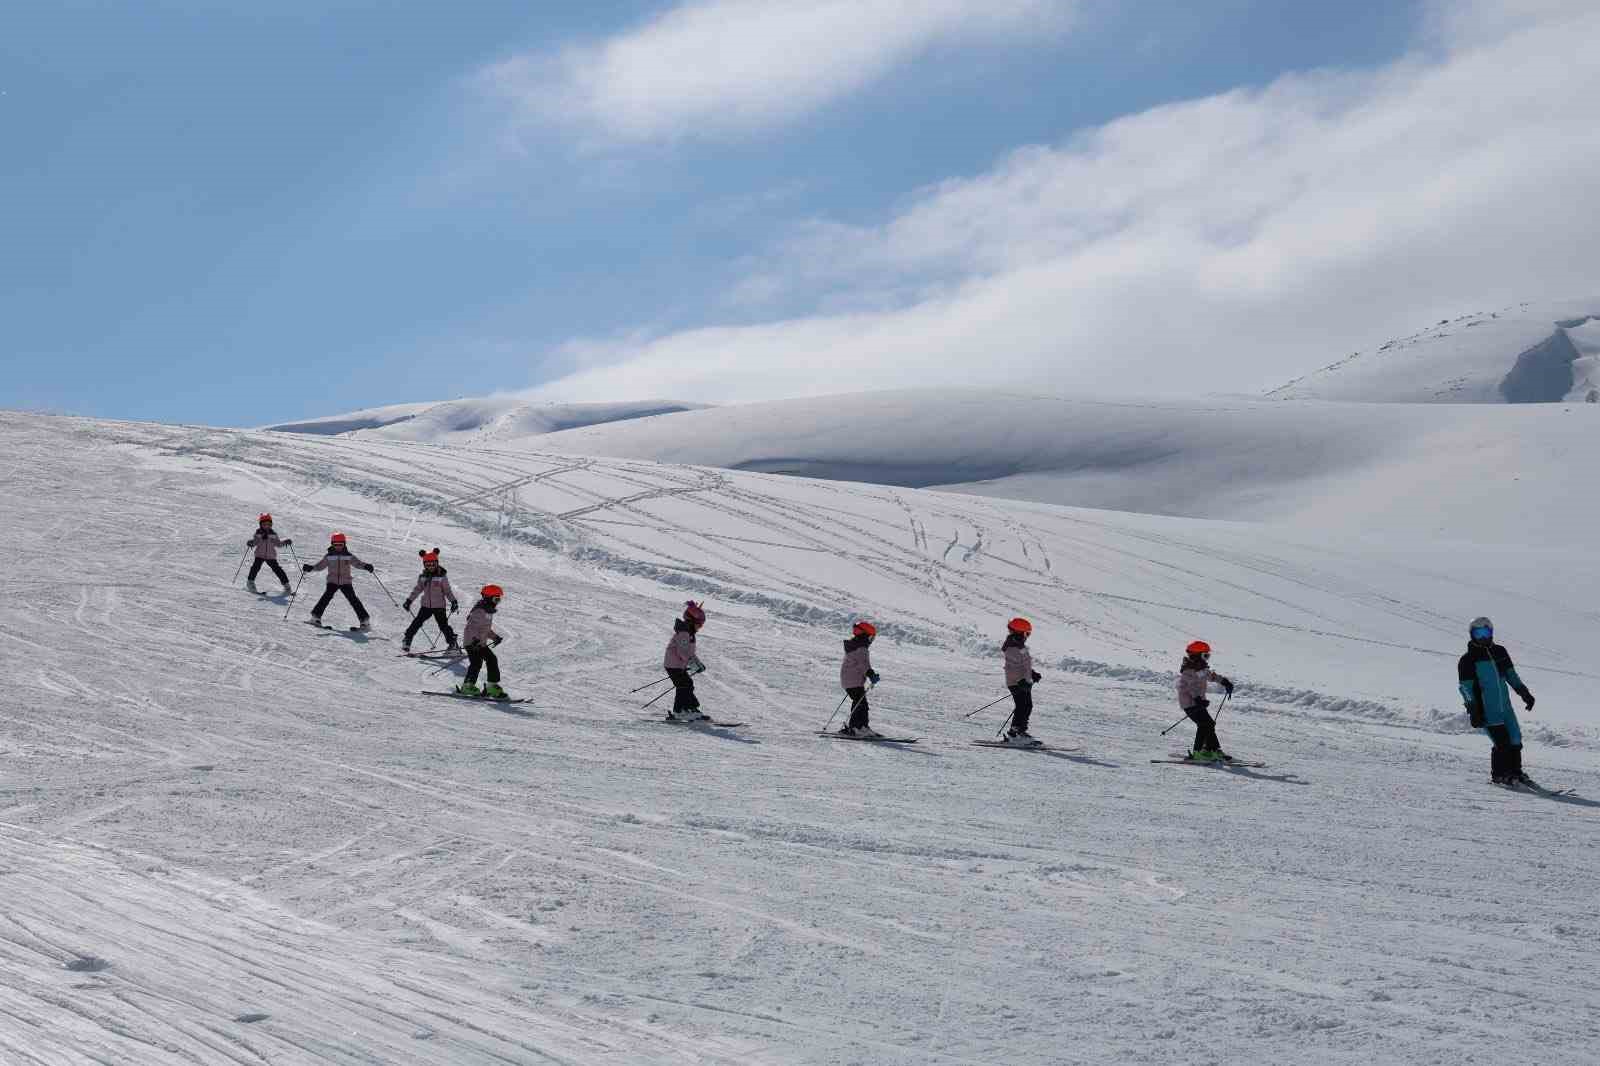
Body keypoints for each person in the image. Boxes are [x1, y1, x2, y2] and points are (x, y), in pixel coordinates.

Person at [1457, 616, 1537, 786]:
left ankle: (1516, 772)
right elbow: (1465, 688)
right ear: (1472, 635)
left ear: (1491, 632)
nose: (1483, 637)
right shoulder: (1468, 660)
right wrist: (1474, 710)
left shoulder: (1500, 652)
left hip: (1505, 707)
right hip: (1487, 709)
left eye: (1485, 632)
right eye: (1478, 634)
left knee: (1515, 738)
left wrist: (1525, 694)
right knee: (1502, 742)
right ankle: (1499, 775)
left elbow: (1510, 675)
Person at [301, 532, 374, 630]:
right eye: (336, 545)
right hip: (332, 581)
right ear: (332, 544)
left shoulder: (348, 556)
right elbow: (320, 566)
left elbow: (358, 563)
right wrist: (311, 568)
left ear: (344, 544)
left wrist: (366, 566)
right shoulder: (329, 556)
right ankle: (315, 618)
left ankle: (365, 621)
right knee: (326, 597)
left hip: (346, 582)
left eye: (341, 544)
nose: (338, 547)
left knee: (353, 599)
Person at [1177, 640, 1234, 761]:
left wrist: (1225, 682)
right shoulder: (1189, 670)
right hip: (1190, 703)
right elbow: (1191, 686)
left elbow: (1212, 676)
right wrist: (1198, 699)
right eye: (1205, 655)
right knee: (1204, 725)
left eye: (1208, 655)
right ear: (1197, 655)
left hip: (1198, 702)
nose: (1207, 658)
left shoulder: (1200, 668)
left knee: (1209, 724)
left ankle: (1211, 750)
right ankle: (1198, 752)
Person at [401, 548, 459, 654]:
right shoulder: (423, 577)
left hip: (439, 606)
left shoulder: (441, 577)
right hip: (426, 606)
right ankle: (407, 639)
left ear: (436, 564)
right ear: (424, 565)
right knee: (417, 622)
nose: (430, 566)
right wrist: (409, 601)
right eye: (428, 565)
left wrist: (453, 601)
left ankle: (452, 643)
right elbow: (417, 589)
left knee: (443, 625)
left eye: (432, 564)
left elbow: (447, 591)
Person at [456, 585, 508, 698]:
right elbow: (471, 627)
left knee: (492, 659)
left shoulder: (488, 611)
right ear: (489, 598)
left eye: (499, 599)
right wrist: (474, 640)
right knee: (476, 663)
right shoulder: (479, 611)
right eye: (496, 599)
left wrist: (495, 637)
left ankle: (492, 686)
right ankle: (467, 686)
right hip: (472, 643)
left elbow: (485, 629)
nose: (498, 602)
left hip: (480, 644)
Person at [663, 601, 708, 722]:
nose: (700, 627)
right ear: (691, 621)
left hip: (678, 665)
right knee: (684, 685)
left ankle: (691, 708)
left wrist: (698, 664)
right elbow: (682, 652)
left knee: (687, 684)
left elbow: (690, 653)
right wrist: (694, 664)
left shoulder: (689, 633)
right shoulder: (684, 633)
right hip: (673, 665)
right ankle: (679, 711)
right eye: (699, 625)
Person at [1002, 617, 1044, 746]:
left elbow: (1024, 665)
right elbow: (1013, 668)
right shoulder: (1012, 648)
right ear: (1020, 633)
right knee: (1023, 707)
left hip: (1022, 682)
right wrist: (1022, 681)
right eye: (1027, 634)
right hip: (1017, 683)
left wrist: (1032, 674)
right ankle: (1016, 733)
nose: (1027, 636)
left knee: (1025, 706)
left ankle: (1018, 732)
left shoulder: (1019, 646)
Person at [838, 621, 882, 738]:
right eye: (871, 637)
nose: (871, 640)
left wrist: (870, 674)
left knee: (862, 704)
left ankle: (862, 727)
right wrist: (871, 674)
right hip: (853, 681)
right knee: (860, 704)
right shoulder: (861, 648)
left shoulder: (856, 646)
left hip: (851, 680)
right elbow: (864, 665)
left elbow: (861, 664)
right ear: (865, 635)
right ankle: (854, 728)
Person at [245, 514, 293, 594]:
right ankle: (250, 583)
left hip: (271, 556)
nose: (266, 526)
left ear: (271, 525)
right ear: (261, 525)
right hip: (260, 555)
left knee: (278, 570)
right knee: (255, 568)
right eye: (264, 524)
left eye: (268, 524)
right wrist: (251, 543)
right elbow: (255, 542)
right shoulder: (258, 534)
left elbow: (278, 544)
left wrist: (285, 542)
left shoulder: (273, 534)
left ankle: (286, 585)